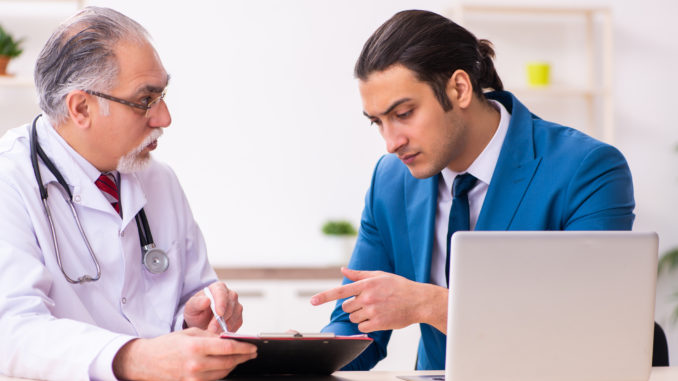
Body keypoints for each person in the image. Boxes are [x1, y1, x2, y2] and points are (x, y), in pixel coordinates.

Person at [310, 9, 635, 370]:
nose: (391, 142)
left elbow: (587, 326)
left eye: (404, 114)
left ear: (459, 89)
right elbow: (354, 327)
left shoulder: (587, 169)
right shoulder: (390, 181)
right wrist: (282, 361)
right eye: (378, 122)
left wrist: (430, 305)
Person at [0, 7, 256, 381]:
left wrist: (193, 315)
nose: (163, 117)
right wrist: (132, 357)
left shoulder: (159, 181)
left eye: (162, 95)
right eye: (144, 100)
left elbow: (190, 297)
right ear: (81, 107)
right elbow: (11, 333)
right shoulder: (10, 180)